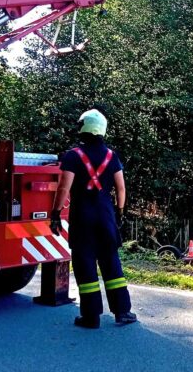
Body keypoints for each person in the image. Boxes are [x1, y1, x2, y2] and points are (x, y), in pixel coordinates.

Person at [50, 108, 137, 329]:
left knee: (85, 265)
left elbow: (63, 187)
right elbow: (121, 188)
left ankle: (91, 317)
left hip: (82, 219)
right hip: (106, 217)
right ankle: (122, 312)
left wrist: (56, 213)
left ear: (83, 128)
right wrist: (119, 211)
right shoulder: (112, 156)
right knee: (111, 263)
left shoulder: (73, 156)